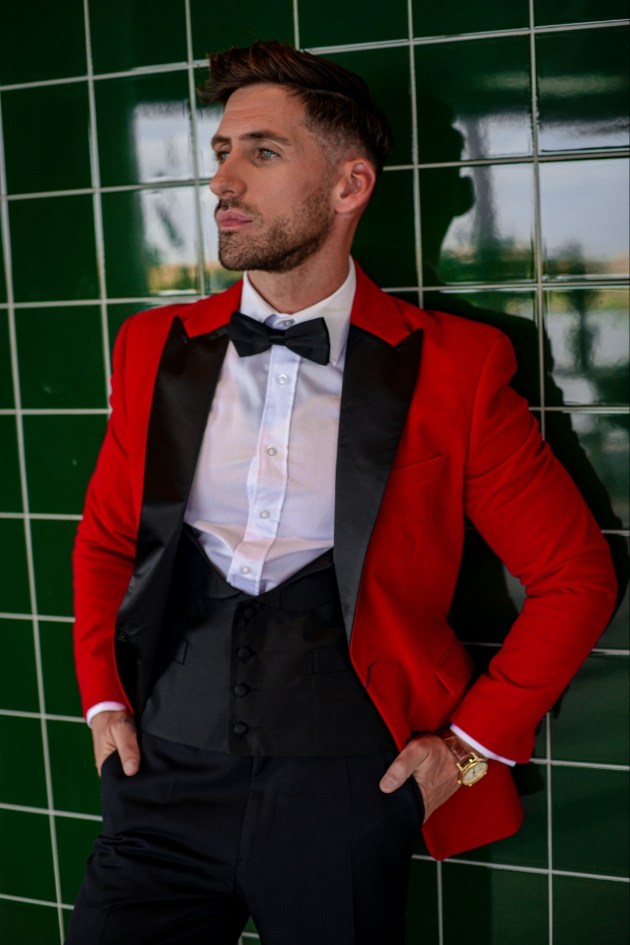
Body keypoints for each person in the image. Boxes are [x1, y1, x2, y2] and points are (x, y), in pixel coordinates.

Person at [67, 40, 617, 945]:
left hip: (349, 790)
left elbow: (577, 575)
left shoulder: (457, 366)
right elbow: (105, 539)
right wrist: (102, 701)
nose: (222, 182)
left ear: (349, 185)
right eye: (220, 152)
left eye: (262, 152)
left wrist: (471, 750)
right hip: (160, 778)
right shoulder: (152, 345)